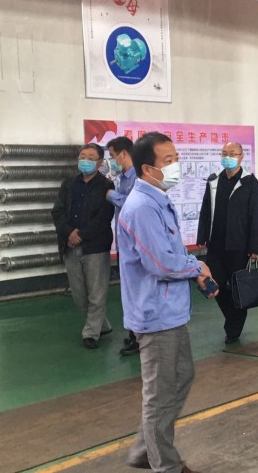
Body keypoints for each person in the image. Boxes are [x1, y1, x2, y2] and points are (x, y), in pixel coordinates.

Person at [118, 132, 216, 473]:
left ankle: (145, 450)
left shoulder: (158, 199)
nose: (176, 166)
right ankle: (165, 465)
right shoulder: (143, 207)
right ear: (148, 169)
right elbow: (159, 263)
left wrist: (193, 268)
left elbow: (171, 252)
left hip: (171, 311)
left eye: (176, 158)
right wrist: (196, 267)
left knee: (181, 378)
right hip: (155, 314)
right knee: (160, 394)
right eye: (168, 161)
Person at [196, 141, 258, 344]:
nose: (228, 157)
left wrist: (254, 247)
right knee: (214, 285)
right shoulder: (214, 180)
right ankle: (233, 320)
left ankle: (233, 329)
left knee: (237, 287)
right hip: (216, 243)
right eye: (224, 153)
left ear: (241, 157)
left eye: (232, 153)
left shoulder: (250, 182)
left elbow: (255, 216)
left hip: (239, 246)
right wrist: (201, 236)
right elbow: (205, 209)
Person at [52, 144, 115, 350]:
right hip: (70, 245)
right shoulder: (69, 184)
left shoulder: (107, 186)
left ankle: (91, 334)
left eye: (90, 158)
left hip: (95, 246)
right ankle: (102, 325)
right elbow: (58, 211)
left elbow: (104, 217)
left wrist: (81, 235)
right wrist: (69, 232)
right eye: (82, 156)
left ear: (99, 162)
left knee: (97, 293)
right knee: (79, 294)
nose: (84, 161)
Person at [105, 136, 140, 357]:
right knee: (128, 291)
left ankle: (139, 336)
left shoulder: (137, 177)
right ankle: (134, 333)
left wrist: (111, 196)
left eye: (112, 156)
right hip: (124, 243)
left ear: (123, 154)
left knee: (136, 291)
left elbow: (133, 205)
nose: (112, 161)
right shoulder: (122, 178)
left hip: (135, 244)